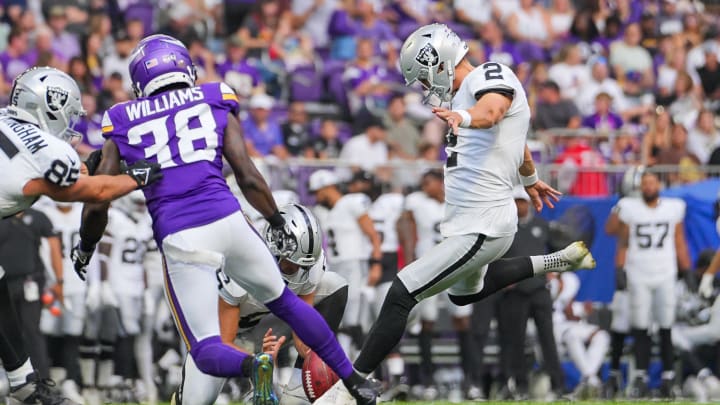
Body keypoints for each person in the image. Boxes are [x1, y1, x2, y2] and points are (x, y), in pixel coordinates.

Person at [73, 34, 378, 405]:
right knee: (289, 303)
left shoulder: (120, 117)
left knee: (205, 348)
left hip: (182, 234)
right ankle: (355, 379)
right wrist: (275, 221)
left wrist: (86, 246)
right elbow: (247, 174)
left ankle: (255, 367)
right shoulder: (214, 95)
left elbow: (98, 200)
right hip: (230, 219)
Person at [314, 23, 596, 405]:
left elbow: (493, 111)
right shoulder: (468, 90)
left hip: (484, 223)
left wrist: (465, 118)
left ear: (439, 61)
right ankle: (556, 260)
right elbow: (516, 138)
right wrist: (529, 177)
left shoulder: (487, 76)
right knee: (466, 294)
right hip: (473, 222)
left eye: (425, 75)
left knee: (401, 293)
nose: (426, 86)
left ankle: (350, 389)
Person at [0, 66, 160, 405]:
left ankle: (23, 381)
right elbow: (93, 192)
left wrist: (85, 166)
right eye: (69, 112)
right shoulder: (43, 149)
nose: (71, 123)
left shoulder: (7, 122)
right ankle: (23, 384)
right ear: (49, 106)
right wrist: (138, 177)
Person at [176, 204, 349, 405]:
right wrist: (260, 362)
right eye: (289, 264)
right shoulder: (240, 267)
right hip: (219, 336)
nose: (297, 270)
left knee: (334, 285)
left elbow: (304, 323)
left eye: (303, 266)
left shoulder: (309, 266)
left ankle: (297, 394)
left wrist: (318, 357)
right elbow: (225, 342)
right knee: (195, 401)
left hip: (265, 322)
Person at [616, 171, 691, 399]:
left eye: (652, 182)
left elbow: (679, 240)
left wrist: (686, 270)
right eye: (645, 183)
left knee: (666, 326)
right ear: (640, 186)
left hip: (665, 272)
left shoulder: (673, 207)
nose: (648, 186)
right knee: (641, 326)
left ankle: (668, 378)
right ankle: (641, 377)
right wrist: (619, 268)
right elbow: (622, 241)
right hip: (638, 273)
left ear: (659, 184)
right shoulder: (630, 208)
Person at [495, 186, 564, 399]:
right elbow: (493, 256)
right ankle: (521, 386)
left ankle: (558, 385)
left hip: (539, 289)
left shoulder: (541, 226)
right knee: (516, 340)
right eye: (515, 201)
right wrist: (502, 278)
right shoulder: (503, 228)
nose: (519, 205)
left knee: (548, 338)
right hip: (516, 291)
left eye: (522, 201)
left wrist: (555, 272)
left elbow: (559, 252)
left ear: (529, 203)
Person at [308, 169, 382, 356]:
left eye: (317, 192)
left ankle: (361, 367)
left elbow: (373, 235)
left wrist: (376, 263)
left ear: (326, 187)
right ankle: (347, 364)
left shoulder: (350, 203)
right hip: (338, 266)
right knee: (341, 318)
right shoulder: (326, 212)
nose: (316, 198)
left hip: (356, 263)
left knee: (356, 318)